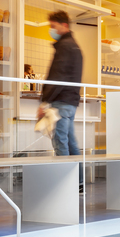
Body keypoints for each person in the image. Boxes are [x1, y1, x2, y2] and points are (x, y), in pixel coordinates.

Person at [37, 10, 83, 185]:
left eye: (53, 26)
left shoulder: (64, 47)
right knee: (71, 142)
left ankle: (65, 184)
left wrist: (45, 101)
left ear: (64, 25)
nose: (51, 30)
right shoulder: (75, 46)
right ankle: (78, 182)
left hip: (61, 102)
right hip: (71, 102)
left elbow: (57, 76)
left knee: (60, 142)